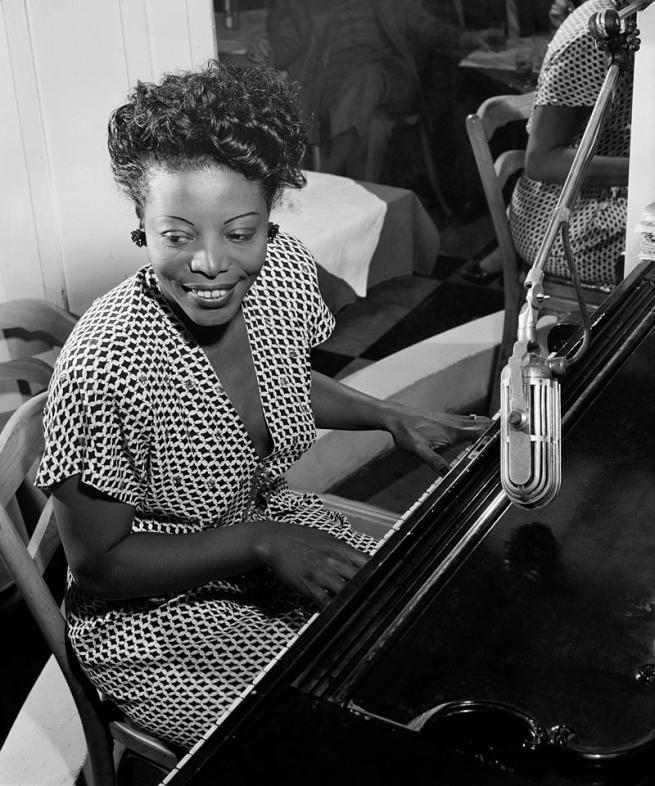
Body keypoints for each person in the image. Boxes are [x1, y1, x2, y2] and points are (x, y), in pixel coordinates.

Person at [35, 61, 489, 750]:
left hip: (265, 525)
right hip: (155, 618)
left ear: (269, 220)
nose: (210, 262)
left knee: (437, 634)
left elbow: (281, 375)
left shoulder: (282, 271)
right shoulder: (107, 362)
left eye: (238, 232)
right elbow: (98, 565)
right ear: (141, 229)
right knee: (326, 742)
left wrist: (390, 416)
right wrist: (261, 541)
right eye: (177, 235)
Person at [461, 0, 631, 289]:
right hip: (567, 222)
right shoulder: (590, 38)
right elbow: (541, 161)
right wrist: (645, 169)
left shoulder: (633, 19)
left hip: (611, 197)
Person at [247, 0, 499, 182]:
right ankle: (366, 213)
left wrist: (468, 38)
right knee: (374, 128)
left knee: (368, 74)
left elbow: (425, 25)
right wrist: (267, 53)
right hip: (333, 88)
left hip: (389, 74)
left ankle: (331, 172)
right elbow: (289, 44)